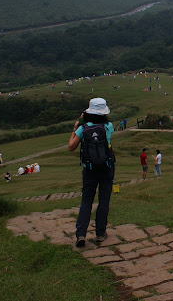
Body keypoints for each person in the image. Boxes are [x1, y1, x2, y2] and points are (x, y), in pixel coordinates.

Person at [68, 97, 115, 248]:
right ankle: (100, 233)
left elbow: (71, 146)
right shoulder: (108, 126)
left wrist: (76, 127)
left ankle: (81, 234)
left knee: (86, 201)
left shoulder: (83, 129)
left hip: (89, 170)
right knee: (104, 200)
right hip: (107, 167)